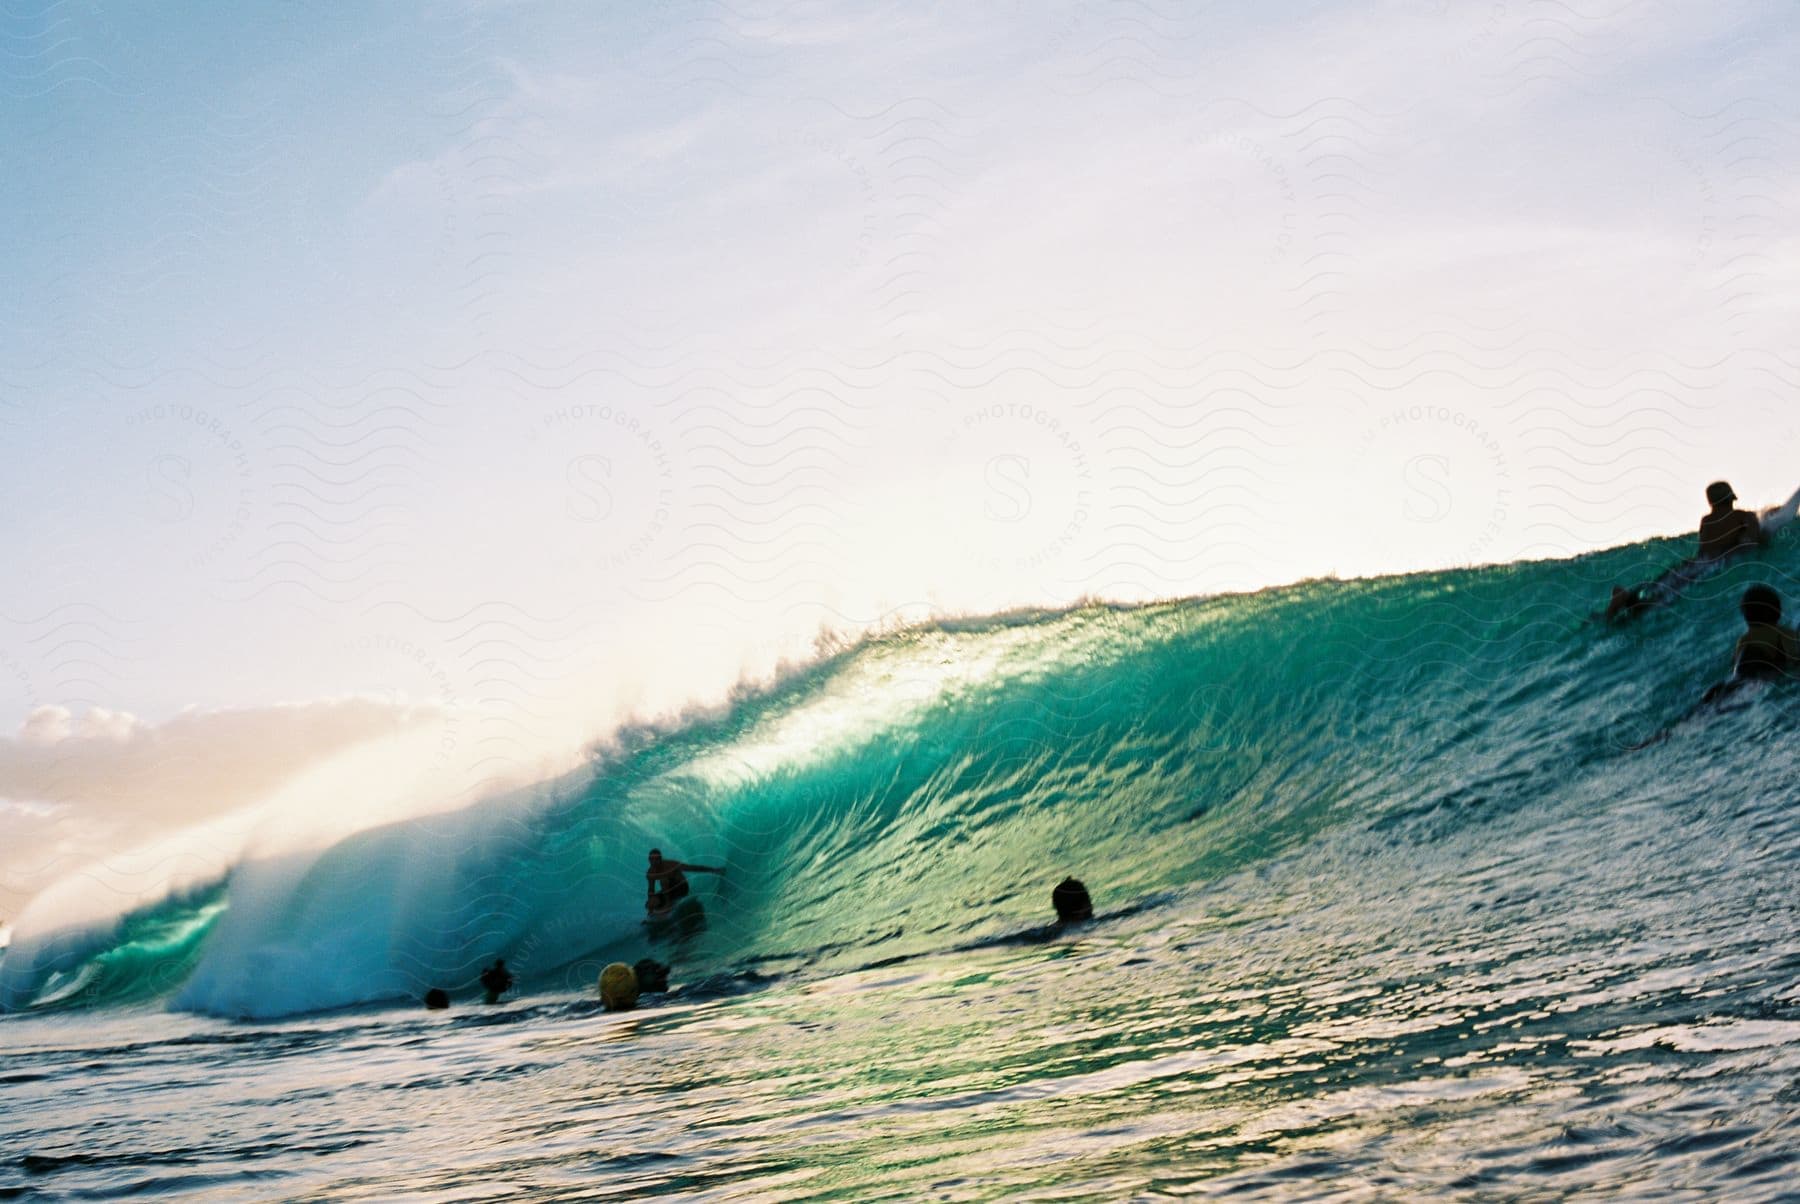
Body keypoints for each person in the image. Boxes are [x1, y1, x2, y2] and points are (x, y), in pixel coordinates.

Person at [1728, 584, 1799, 680]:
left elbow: (1734, 670)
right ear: (1777, 609)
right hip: (1762, 675)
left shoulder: (1743, 640)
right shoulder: (1783, 633)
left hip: (1739, 678)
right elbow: (1794, 661)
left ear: (1746, 616)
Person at [1697, 480, 1765, 562]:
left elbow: (1702, 550)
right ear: (1731, 498)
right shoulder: (1743, 516)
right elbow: (1752, 543)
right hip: (1730, 558)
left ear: (1710, 502)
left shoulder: (1706, 521)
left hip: (1703, 562)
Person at [645, 848, 721, 915]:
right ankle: (659, 910)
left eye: (656, 859)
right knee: (649, 903)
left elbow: (693, 868)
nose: (654, 862)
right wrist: (651, 904)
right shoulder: (650, 873)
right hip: (668, 891)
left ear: (660, 859)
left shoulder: (671, 865)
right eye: (652, 859)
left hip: (682, 888)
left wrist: (713, 870)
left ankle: (668, 904)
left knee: (663, 880)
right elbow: (651, 889)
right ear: (649, 860)